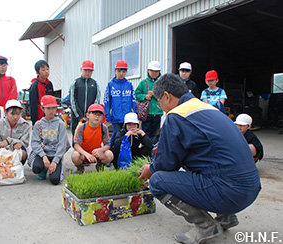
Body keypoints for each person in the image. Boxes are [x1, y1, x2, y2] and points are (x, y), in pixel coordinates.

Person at [139, 74, 261, 244]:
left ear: (167, 96)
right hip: (251, 188)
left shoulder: (177, 116)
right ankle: (226, 217)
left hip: (229, 193)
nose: (161, 108)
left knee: (158, 181)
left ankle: (205, 226)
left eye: (160, 103)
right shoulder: (208, 108)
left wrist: (151, 169)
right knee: (200, 159)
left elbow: (166, 165)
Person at [29, 95, 70, 185]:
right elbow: (35, 143)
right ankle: (43, 169)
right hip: (43, 153)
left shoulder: (60, 124)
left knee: (55, 180)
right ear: (42, 109)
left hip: (55, 154)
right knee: (36, 167)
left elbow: (62, 144)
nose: (51, 111)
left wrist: (55, 161)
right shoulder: (38, 124)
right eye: (48, 108)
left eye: (53, 108)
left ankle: (53, 168)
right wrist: (44, 157)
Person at [72, 104, 113, 174]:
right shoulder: (82, 127)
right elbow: (76, 145)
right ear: (88, 115)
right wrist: (86, 154)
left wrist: (100, 150)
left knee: (109, 155)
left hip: (97, 153)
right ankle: (80, 166)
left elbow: (107, 145)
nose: (97, 117)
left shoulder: (104, 127)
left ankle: (100, 165)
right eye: (94, 114)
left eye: (99, 115)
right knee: (75, 155)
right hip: (84, 154)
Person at [104, 60, 136, 144]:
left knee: (128, 136)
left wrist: (134, 113)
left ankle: (126, 153)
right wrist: (108, 115)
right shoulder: (110, 84)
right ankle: (112, 153)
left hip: (128, 117)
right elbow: (107, 101)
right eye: (119, 71)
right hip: (116, 116)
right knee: (116, 135)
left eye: (123, 71)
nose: (121, 73)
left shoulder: (129, 84)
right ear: (115, 71)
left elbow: (133, 100)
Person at [0, 100, 30, 166]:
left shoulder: (25, 125)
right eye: (12, 114)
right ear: (6, 113)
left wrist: (9, 141)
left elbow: (25, 142)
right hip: (3, 150)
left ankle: (17, 169)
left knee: (23, 153)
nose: (15, 117)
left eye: (18, 114)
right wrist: (10, 146)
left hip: (16, 149)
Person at [70, 60, 101, 136]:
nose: (87, 72)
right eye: (85, 70)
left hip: (90, 118)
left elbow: (97, 100)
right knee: (76, 137)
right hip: (77, 118)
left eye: (90, 70)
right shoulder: (75, 83)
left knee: (89, 137)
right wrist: (79, 116)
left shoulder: (95, 83)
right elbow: (73, 101)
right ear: (81, 70)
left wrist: (91, 115)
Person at [135, 61, 163, 139]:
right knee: (145, 134)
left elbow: (165, 95)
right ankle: (146, 149)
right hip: (146, 113)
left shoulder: (161, 83)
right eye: (152, 71)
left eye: (156, 71)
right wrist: (145, 96)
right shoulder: (143, 82)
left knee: (156, 134)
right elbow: (136, 94)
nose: (154, 73)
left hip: (157, 112)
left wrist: (154, 94)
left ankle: (153, 149)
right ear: (148, 70)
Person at [29, 60, 54, 126]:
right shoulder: (34, 86)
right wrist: (34, 121)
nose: (46, 72)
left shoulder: (49, 84)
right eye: (43, 70)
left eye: (47, 69)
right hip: (39, 119)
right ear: (37, 72)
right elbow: (33, 105)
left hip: (50, 118)